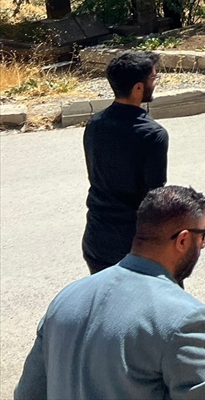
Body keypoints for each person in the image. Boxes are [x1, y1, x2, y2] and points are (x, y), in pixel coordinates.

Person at [17, 185, 205, 400]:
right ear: (183, 239)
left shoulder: (66, 298)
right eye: (204, 236)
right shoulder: (183, 318)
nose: (204, 245)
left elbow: (27, 393)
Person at [82, 50, 168, 274]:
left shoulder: (95, 124)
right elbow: (154, 198)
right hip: (133, 244)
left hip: (96, 236)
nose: (156, 83)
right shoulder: (152, 134)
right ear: (138, 88)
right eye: (153, 78)